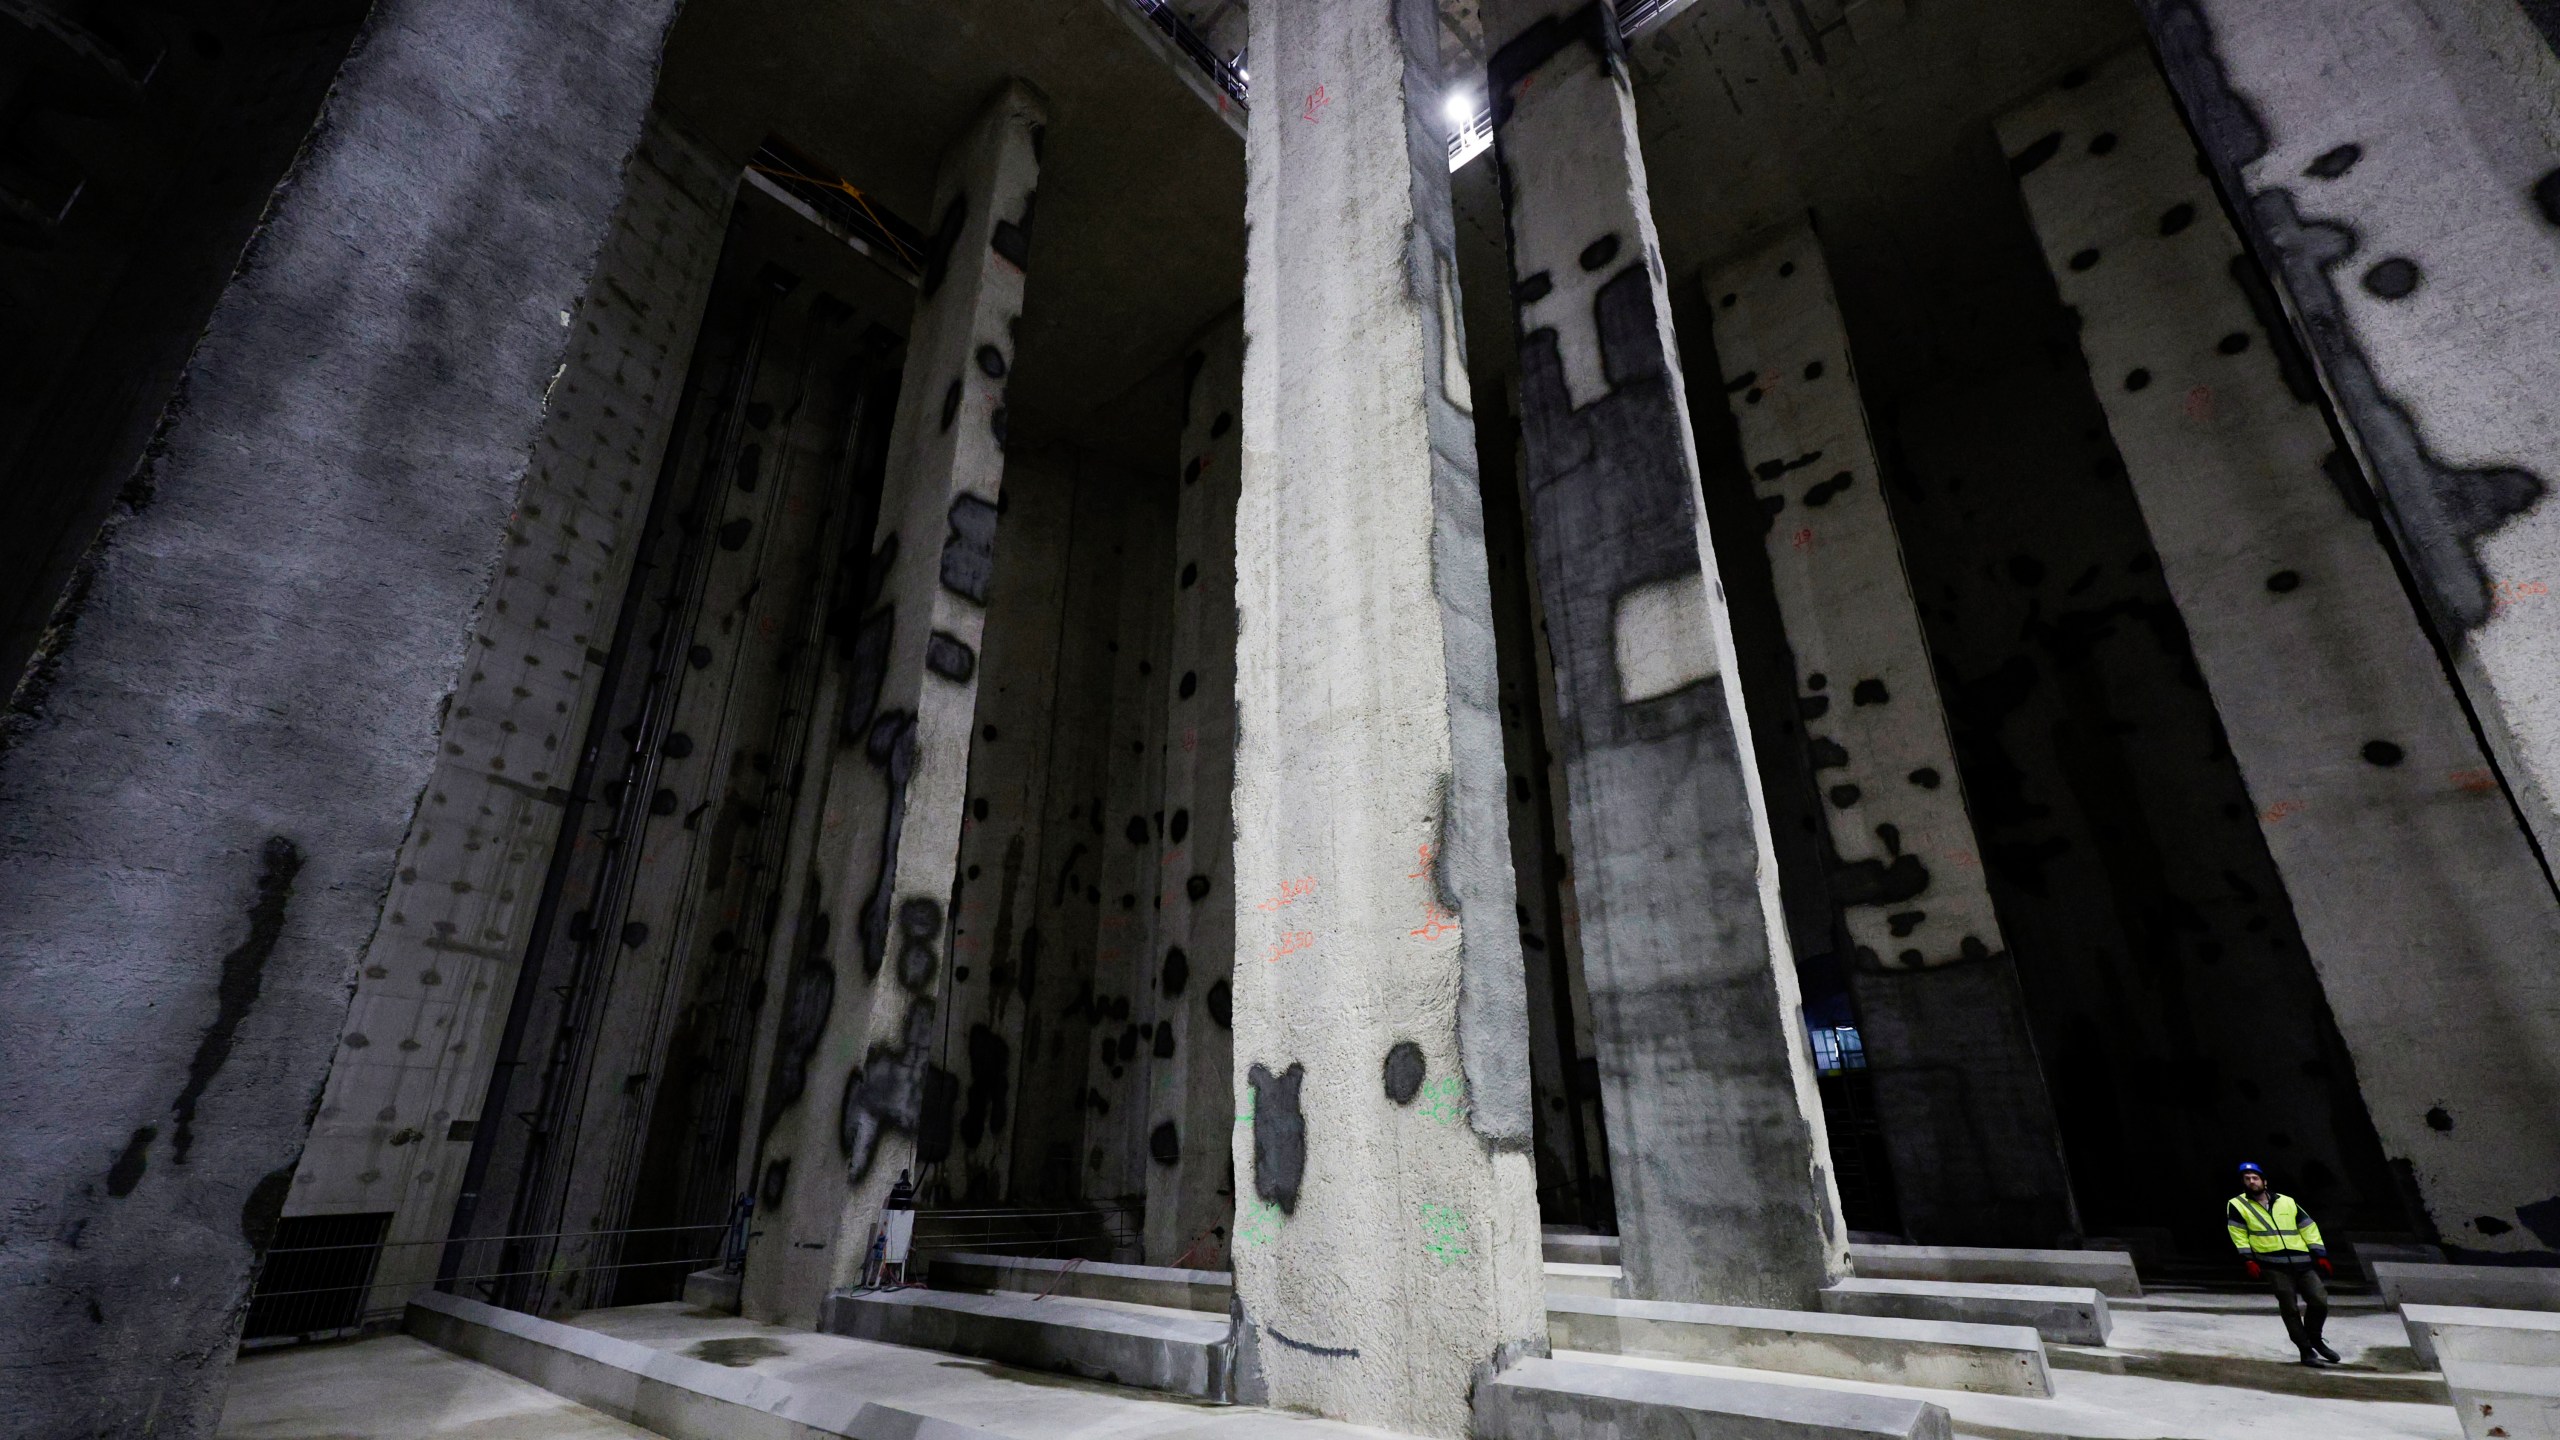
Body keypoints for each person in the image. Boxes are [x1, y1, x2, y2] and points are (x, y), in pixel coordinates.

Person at [2226, 1161, 2340, 1366]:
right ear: (2243, 1183)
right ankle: (2306, 1350)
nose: (2251, 1181)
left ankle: (2315, 1338)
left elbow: (2307, 1227)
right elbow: (2238, 1233)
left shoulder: (2287, 1201)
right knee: (2289, 1307)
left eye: (2255, 1177)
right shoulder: (2237, 1205)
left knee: (2319, 1300)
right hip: (2272, 1264)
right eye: (2247, 1178)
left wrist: (2320, 1253)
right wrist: (2248, 1259)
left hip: (2302, 1261)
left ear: (2264, 1181)